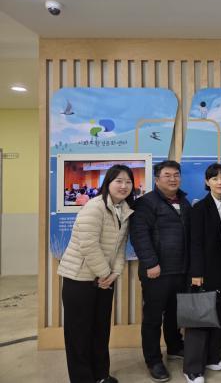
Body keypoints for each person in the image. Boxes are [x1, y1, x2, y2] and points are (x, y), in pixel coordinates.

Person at [58, 164, 135, 383]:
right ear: (107, 183)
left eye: (128, 181)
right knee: (79, 334)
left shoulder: (124, 210)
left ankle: (101, 375)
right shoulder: (95, 207)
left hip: (104, 280)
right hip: (79, 280)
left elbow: (120, 247)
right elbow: (88, 245)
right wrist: (105, 274)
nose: (124, 186)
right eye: (118, 181)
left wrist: (114, 273)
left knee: (100, 331)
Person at [130, 160, 191, 382]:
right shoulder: (145, 203)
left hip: (180, 270)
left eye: (176, 175)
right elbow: (139, 235)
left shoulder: (184, 201)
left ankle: (174, 347)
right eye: (167, 175)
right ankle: (153, 360)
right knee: (153, 318)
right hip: (157, 271)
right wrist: (150, 263)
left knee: (175, 314)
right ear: (157, 179)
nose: (173, 179)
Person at [184, 163, 221, 383]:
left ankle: (213, 357)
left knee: (219, 315)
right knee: (200, 318)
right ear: (207, 182)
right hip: (204, 271)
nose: (220, 182)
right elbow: (194, 243)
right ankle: (193, 369)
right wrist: (196, 272)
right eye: (214, 178)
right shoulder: (199, 208)